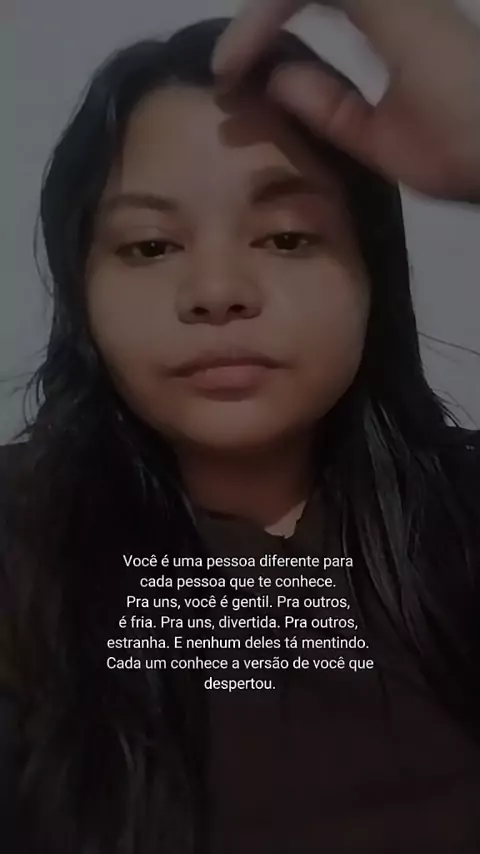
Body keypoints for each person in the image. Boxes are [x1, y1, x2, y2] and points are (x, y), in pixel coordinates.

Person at [1, 2, 479, 853]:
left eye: (286, 237)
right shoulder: (18, 545)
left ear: (373, 273)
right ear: (83, 295)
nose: (217, 292)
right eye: (151, 246)